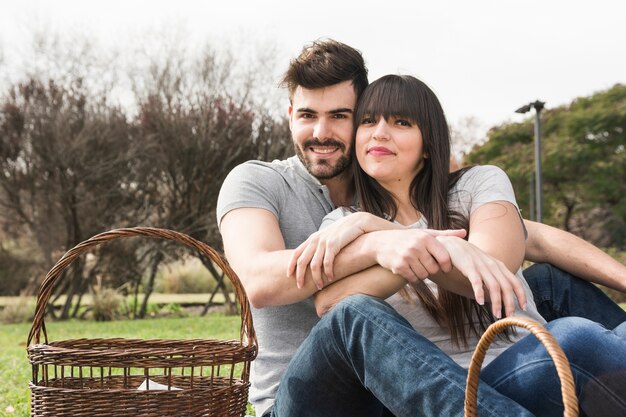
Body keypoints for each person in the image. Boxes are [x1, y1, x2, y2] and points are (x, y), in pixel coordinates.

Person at [217, 40, 626, 416]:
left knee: (556, 291)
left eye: (340, 116)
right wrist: (385, 243)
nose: (322, 132)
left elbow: (526, 238)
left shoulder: (460, 189)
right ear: (291, 115)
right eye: (308, 115)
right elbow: (271, 285)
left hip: (398, 391)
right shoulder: (273, 188)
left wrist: (387, 235)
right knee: (357, 315)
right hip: (310, 396)